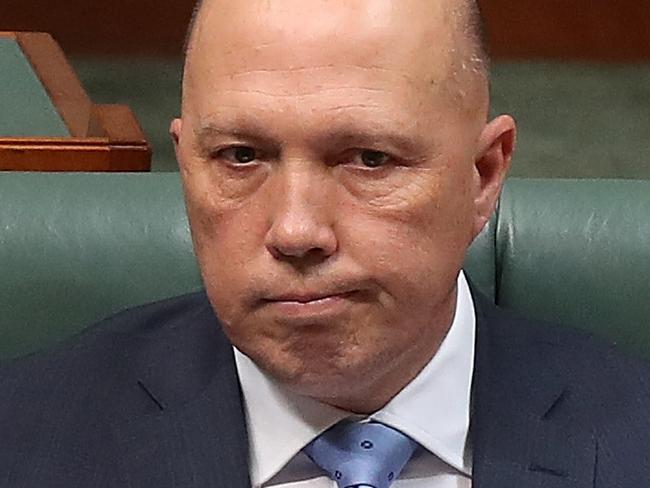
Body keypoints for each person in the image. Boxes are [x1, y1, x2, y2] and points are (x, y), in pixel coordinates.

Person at [1, 1, 649, 487]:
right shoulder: (25, 440)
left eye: (369, 159)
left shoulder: (631, 441)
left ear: (482, 177)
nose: (296, 231)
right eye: (240, 156)